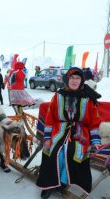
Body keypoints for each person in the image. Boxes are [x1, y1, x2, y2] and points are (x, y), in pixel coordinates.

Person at [36, 67, 102, 199]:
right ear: (67, 79)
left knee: (70, 151)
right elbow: (50, 118)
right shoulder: (58, 95)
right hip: (59, 129)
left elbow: (94, 121)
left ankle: (62, 182)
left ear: (81, 81)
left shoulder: (88, 99)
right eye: (72, 78)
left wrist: (95, 140)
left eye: (78, 78)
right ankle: (49, 184)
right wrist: (47, 137)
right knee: (54, 151)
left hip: (80, 131)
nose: (75, 80)